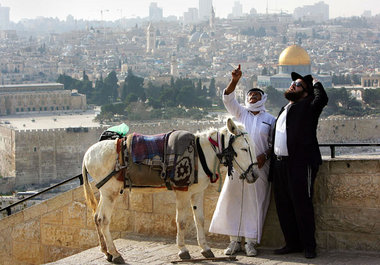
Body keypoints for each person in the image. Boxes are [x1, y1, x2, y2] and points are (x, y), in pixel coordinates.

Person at [209, 65, 276, 257]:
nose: (253, 98)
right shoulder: (241, 114)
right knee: (234, 201)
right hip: (239, 166)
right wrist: (235, 80)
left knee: (256, 202)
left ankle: (251, 242)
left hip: (260, 167)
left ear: (262, 98)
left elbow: (273, 142)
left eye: (256, 95)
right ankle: (234, 241)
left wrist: (265, 156)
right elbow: (228, 99)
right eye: (250, 95)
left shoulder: (270, 119)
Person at [270, 72, 328, 259]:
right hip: (280, 165)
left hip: (300, 164)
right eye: (292, 83)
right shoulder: (285, 108)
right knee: (284, 205)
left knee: (302, 204)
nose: (292, 85)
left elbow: (322, 99)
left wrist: (317, 83)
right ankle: (292, 243)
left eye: (298, 84)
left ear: (306, 92)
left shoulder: (309, 107)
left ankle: (309, 246)